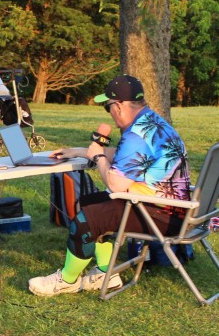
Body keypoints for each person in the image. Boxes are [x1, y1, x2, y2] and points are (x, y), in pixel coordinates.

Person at [29, 74, 190, 296]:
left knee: (87, 219)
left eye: (108, 107)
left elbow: (115, 184)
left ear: (119, 105)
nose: (110, 113)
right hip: (173, 211)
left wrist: (98, 157)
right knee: (89, 202)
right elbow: (126, 155)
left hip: (159, 215)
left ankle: (67, 280)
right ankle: (106, 273)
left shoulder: (136, 134)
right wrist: (79, 151)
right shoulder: (152, 122)